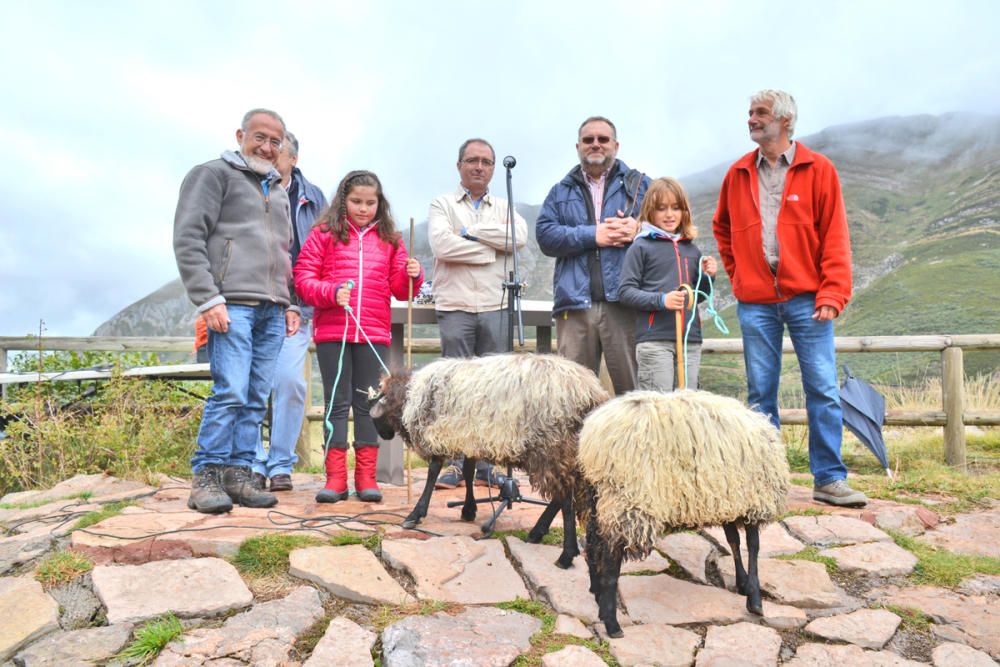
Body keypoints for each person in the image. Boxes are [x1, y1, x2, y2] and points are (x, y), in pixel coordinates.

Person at [713, 89, 866, 507]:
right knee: (760, 393)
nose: (751, 119)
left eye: (760, 113)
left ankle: (829, 479)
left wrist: (834, 291)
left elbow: (835, 235)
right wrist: (740, 274)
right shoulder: (738, 173)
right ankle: (766, 480)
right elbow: (722, 229)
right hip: (756, 301)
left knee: (822, 388)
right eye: (749, 113)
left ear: (785, 120)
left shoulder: (819, 169)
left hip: (808, 298)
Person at [173, 108, 299, 513]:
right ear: (241, 134)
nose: (266, 146)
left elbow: (282, 253)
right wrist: (209, 299)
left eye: (274, 141)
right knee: (229, 391)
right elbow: (188, 237)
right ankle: (206, 477)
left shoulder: (277, 189)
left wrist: (289, 300)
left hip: (273, 309)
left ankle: (239, 474)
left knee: (256, 395)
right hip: (231, 304)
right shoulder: (212, 175)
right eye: (259, 137)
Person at [295, 170, 423, 503]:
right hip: (333, 332)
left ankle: (366, 477)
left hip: (373, 332)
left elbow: (400, 289)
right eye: (356, 202)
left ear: (380, 204)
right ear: (343, 200)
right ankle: (335, 479)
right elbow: (303, 279)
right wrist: (331, 291)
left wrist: (414, 274)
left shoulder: (391, 239)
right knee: (336, 404)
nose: (363, 208)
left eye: (370, 202)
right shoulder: (324, 234)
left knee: (368, 404)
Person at [427, 138, 528, 489]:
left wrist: (469, 233)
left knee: (492, 391)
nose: (479, 167)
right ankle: (456, 462)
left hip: (495, 304)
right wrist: (489, 251)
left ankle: (488, 463)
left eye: (486, 162)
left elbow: (518, 237)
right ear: (459, 165)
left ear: (493, 168)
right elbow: (441, 244)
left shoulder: (504, 205)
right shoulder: (442, 203)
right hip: (455, 305)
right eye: (472, 160)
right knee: (455, 388)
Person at [536, 116, 650, 395]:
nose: (596, 145)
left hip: (625, 303)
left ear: (616, 145)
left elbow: (673, 226)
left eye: (603, 139)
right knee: (572, 398)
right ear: (578, 146)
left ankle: (633, 441)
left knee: (633, 395)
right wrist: (592, 235)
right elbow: (545, 236)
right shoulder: (560, 191)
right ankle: (576, 442)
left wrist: (639, 228)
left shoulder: (641, 185)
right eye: (589, 140)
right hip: (575, 308)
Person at [252, 131, 328, 492]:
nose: (269, 153)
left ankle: (280, 463)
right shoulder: (247, 187)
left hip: (297, 308)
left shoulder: (314, 200)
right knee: (249, 383)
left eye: (278, 149)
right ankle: (251, 462)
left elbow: (323, 254)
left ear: (292, 159)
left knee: (290, 382)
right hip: (251, 301)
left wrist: (299, 300)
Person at [619, 177, 718, 391]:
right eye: (661, 208)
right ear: (650, 211)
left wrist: (708, 277)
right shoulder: (640, 247)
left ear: (684, 211)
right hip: (654, 341)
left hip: (690, 341)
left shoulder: (692, 249)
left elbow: (697, 296)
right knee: (658, 409)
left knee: (688, 405)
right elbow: (625, 292)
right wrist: (663, 300)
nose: (669, 214)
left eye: (676, 208)